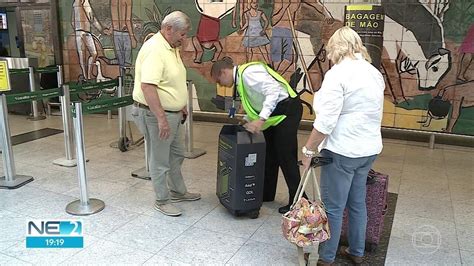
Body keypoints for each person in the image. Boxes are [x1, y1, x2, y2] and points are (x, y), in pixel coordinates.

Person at [300, 26, 385, 265]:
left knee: (333, 207)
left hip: (342, 151)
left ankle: (325, 258)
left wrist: (308, 150)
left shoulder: (338, 74)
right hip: (368, 149)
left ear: (335, 48)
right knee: (357, 202)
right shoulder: (373, 73)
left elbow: (325, 122)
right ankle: (356, 252)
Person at [211, 58, 303, 214]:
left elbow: (273, 92)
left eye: (219, 81)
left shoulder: (249, 73)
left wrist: (260, 120)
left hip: (287, 110)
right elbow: (257, 101)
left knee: (286, 158)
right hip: (275, 115)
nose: (220, 85)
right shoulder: (241, 80)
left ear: (224, 72)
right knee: (270, 155)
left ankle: (299, 201)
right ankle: (267, 194)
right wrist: (248, 120)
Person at [131, 11, 201, 217]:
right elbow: (148, 86)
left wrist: (180, 104)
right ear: (169, 29)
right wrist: (161, 118)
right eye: (183, 33)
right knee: (160, 159)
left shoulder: (170, 47)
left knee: (177, 153)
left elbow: (170, 81)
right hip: (155, 115)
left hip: (173, 114)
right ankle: (162, 200)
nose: (184, 38)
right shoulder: (155, 49)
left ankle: (178, 191)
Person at [110, 0, 137, 67]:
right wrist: (132, 37)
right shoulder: (128, 1)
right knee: (127, 63)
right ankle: (125, 77)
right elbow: (127, 20)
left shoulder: (113, 1)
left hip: (116, 32)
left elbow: (113, 21)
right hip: (125, 33)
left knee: (120, 63)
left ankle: (121, 76)